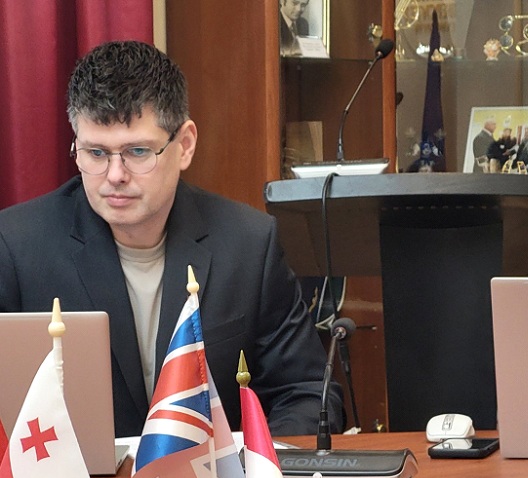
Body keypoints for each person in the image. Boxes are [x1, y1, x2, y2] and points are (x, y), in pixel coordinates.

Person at [0, 40, 344, 436]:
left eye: (137, 151)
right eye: (96, 153)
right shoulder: (18, 247)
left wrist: (254, 465)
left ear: (184, 146)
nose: (115, 175)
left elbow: (306, 394)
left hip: (214, 474)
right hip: (74, 476)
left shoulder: (248, 244)